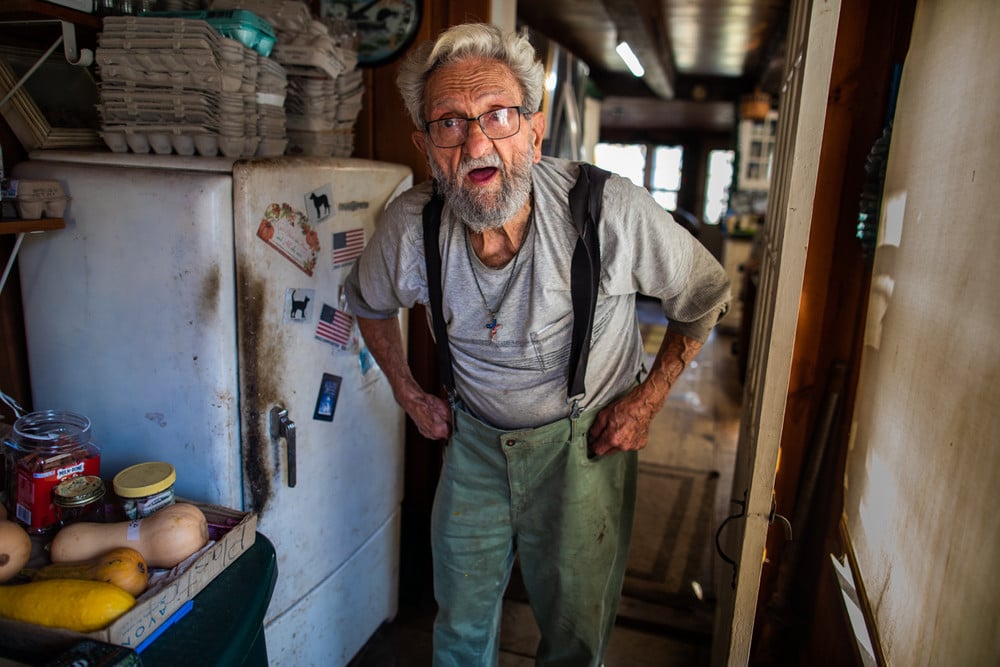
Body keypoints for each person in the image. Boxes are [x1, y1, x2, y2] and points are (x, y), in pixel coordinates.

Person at [345, 22, 731, 666]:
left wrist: (647, 402)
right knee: (460, 625)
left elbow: (705, 294)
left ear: (534, 129)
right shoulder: (411, 226)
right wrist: (408, 393)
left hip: (584, 449)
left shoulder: (606, 210)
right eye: (449, 122)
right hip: (473, 447)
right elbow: (367, 303)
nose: (476, 141)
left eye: (499, 115)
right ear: (425, 144)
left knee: (575, 634)